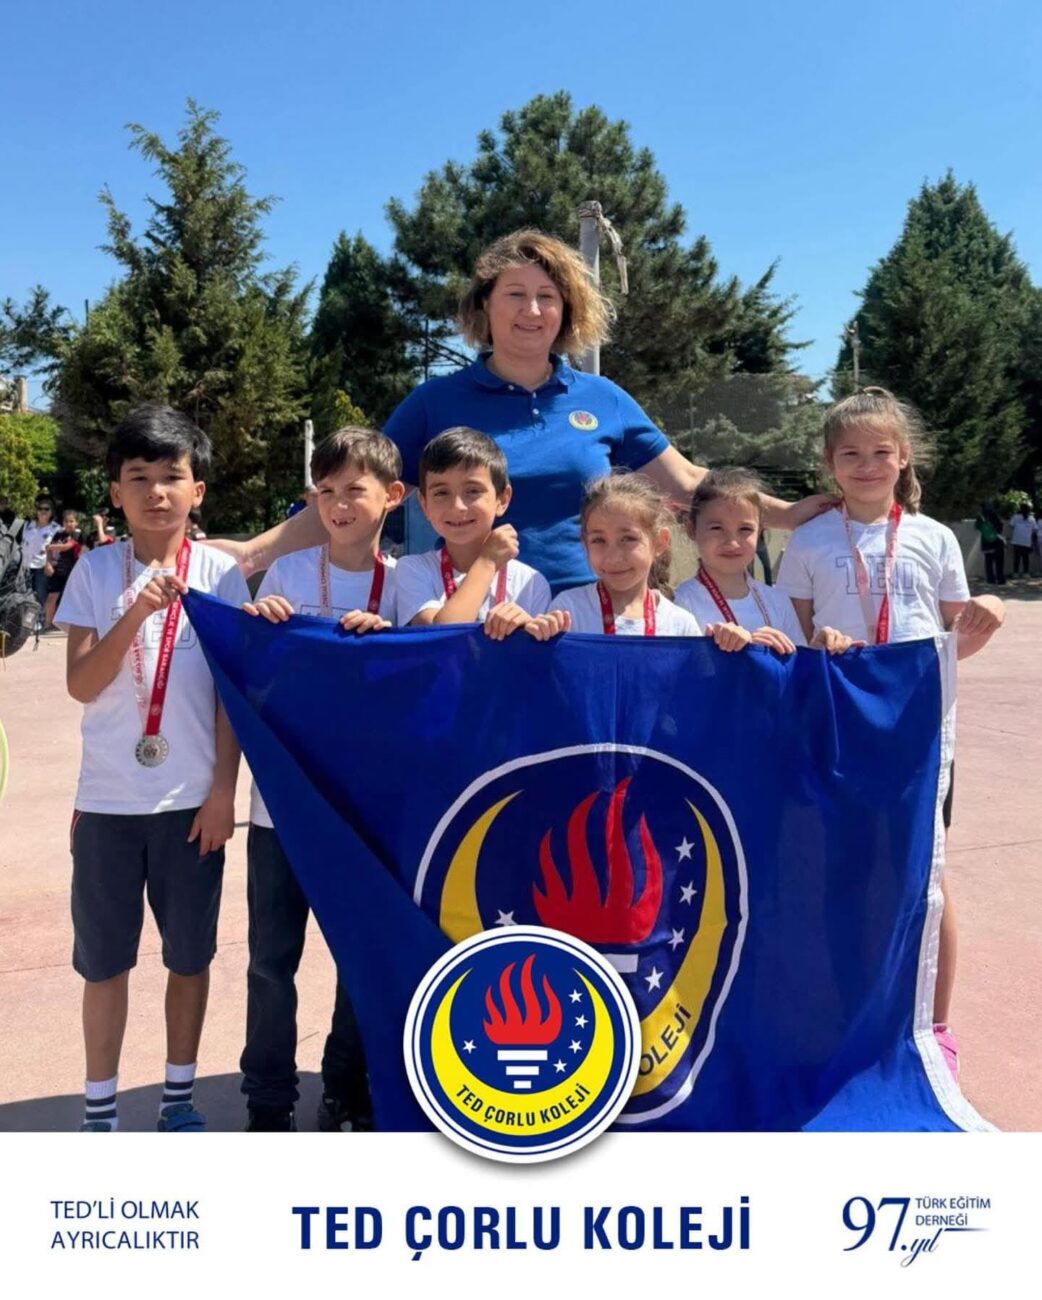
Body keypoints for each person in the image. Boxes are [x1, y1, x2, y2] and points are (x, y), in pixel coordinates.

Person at [209, 230, 834, 590]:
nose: (532, 310)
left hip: (588, 619)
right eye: (515, 294)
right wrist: (253, 553)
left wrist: (787, 513)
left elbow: (692, 484)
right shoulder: (434, 402)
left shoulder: (604, 399)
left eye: (547, 297)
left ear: (566, 311)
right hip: (472, 621)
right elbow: (356, 497)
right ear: (485, 306)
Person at [774, 386, 1005, 1080]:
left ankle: (935, 1024)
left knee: (925, 874)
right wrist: (818, 647)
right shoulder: (809, 540)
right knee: (842, 869)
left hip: (918, 731)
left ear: (904, 458)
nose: (867, 465)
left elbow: (957, 634)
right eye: (851, 454)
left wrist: (990, 608)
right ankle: (844, 1011)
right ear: (829, 464)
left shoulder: (934, 538)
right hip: (839, 726)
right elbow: (794, 639)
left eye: (881, 452)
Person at [56, 405, 249, 1132]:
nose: (156, 492)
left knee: (189, 959)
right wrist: (134, 614)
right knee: (104, 964)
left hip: (189, 803)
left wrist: (222, 791)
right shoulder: (95, 571)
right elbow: (81, 684)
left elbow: (231, 698)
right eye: (139, 478)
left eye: (172, 476)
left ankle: (178, 1099)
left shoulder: (220, 575)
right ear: (116, 493)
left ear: (198, 490)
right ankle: (100, 1109)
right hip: (108, 803)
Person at [240, 427, 405, 1132]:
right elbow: (254, 679)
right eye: (326, 491)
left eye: (354, 490)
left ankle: (346, 1085)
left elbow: (431, 677)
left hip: (362, 809)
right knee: (270, 962)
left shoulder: (407, 582)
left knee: (356, 959)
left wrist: (393, 644)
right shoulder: (286, 577)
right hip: (281, 809)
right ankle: (268, 1096)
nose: (338, 504)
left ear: (392, 497)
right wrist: (259, 629)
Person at [395, 426, 552, 635]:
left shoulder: (530, 583)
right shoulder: (413, 569)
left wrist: (526, 631)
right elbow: (439, 638)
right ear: (424, 505)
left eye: (472, 491)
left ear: (502, 499)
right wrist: (487, 562)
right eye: (441, 493)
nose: (457, 506)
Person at [547, 474, 701, 637]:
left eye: (628, 539)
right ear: (585, 544)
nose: (613, 558)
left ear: (659, 542)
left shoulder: (681, 624)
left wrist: (720, 642)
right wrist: (542, 634)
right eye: (598, 540)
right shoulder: (568, 611)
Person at [675, 469, 809, 654]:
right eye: (716, 528)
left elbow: (800, 664)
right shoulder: (681, 602)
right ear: (691, 529)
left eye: (745, 529)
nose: (732, 543)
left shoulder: (778, 601)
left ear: (759, 531)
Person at [42, 508, 83, 631]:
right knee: (51, 597)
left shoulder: (78, 534)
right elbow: (49, 551)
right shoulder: (58, 534)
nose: (69, 524)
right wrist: (48, 563)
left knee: (73, 599)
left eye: (71, 521)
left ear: (76, 522)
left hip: (73, 571)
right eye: (66, 521)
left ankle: (74, 626)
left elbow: (67, 546)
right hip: (58, 571)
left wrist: (50, 546)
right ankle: (47, 624)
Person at [21, 495, 59, 627]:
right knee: (25, 594)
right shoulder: (28, 525)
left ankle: (38, 621)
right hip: (25, 565)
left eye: (46, 509)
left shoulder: (55, 528)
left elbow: (55, 549)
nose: (43, 511)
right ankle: (26, 622)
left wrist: (50, 564)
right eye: (40, 509)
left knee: (40, 594)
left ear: (51, 511)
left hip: (42, 566)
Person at [974, 503, 1006, 585]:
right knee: (999, 562)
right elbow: (1000, 526)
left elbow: (977, 527)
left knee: (988, 562)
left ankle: (990, 579)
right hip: (997, 541)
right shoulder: (995, 515)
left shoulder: (981, 517)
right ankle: (1000, 579)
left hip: (987, 542)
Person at [1008, 502, 1037, 577]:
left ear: (1020, 509)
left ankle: (1015, 573)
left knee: (1017, 558)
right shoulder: (1031, 518)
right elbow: (1035, 529)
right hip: (1026, 541)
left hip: (1017, 540)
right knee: (1025, 558)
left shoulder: (1015, 517)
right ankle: (1026, 573)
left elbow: (1011, 525)